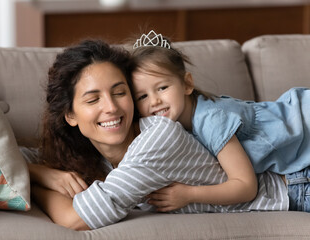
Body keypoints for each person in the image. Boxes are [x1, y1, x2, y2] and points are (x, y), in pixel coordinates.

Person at [30, 38, 288, 231]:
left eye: (120, 92)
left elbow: (74, 219)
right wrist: (44, 173)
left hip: (290, 191)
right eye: (93, 99)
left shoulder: (158, 139)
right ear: (70, 115)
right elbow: (12, 157)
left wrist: (32, 185)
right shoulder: (95, 152)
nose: (111, 107)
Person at [130, 30, 310, 213]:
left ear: (187, 84)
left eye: (162, 87)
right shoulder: (179, 125)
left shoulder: (211, 121)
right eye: (142, 96)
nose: (154, 101)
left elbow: (246, 186)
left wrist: (189, 194)